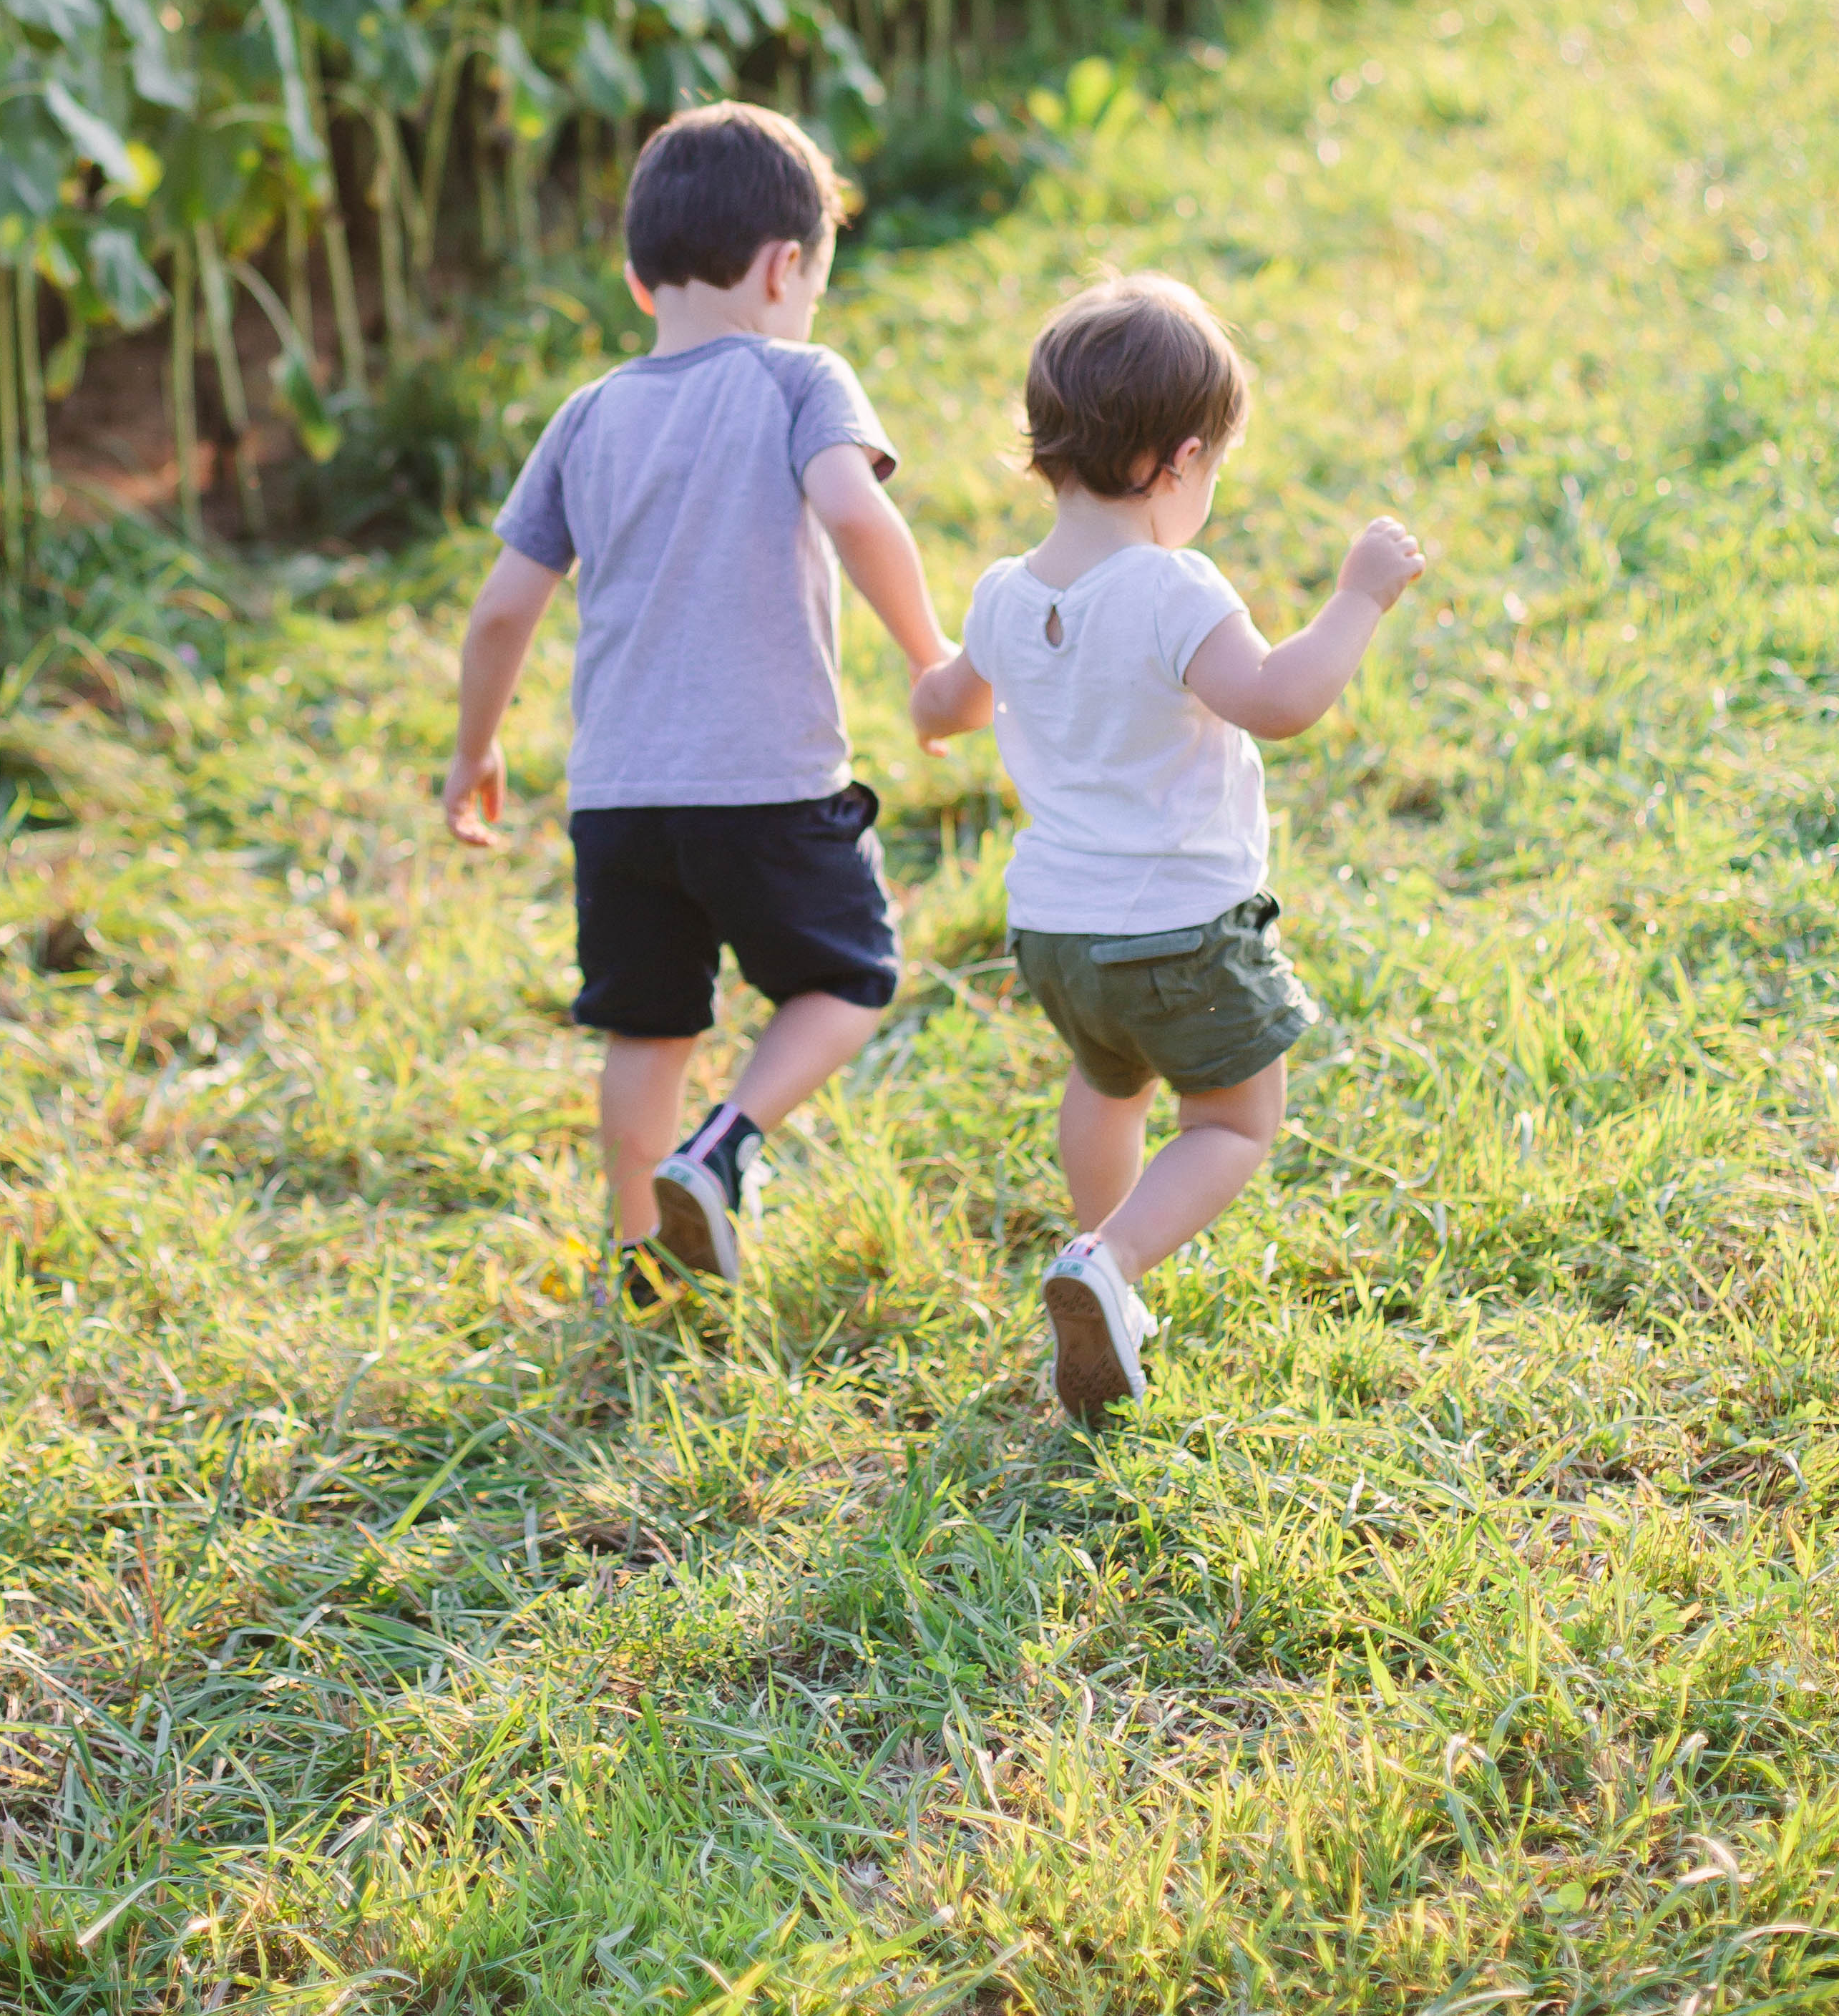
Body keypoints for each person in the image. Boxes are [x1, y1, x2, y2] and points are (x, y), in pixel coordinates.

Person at [442, 102, 949, 1300]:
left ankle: (642, 1258)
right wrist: (932, 658)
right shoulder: (800, 378)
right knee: (851, 979)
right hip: (766, 779)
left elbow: (501, 612)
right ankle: (722, 1154)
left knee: (648, 1027)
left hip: (617, 799)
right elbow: (858, 512)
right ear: (788, 269)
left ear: (636, 281)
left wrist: (474, 754)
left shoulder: (586, 417)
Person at [910, 271, 1423, 1421]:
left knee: (1107, 1084)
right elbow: (1279, 699)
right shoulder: (1170, 587)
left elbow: (947, 701)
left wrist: (933, 719)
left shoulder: (1002, 592)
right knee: (1234, 1119)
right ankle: (1111, 1264)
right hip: (1181, 928)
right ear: (1177, 463)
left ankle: (1100, 1263)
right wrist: (1357, 599)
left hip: (1053, 934)